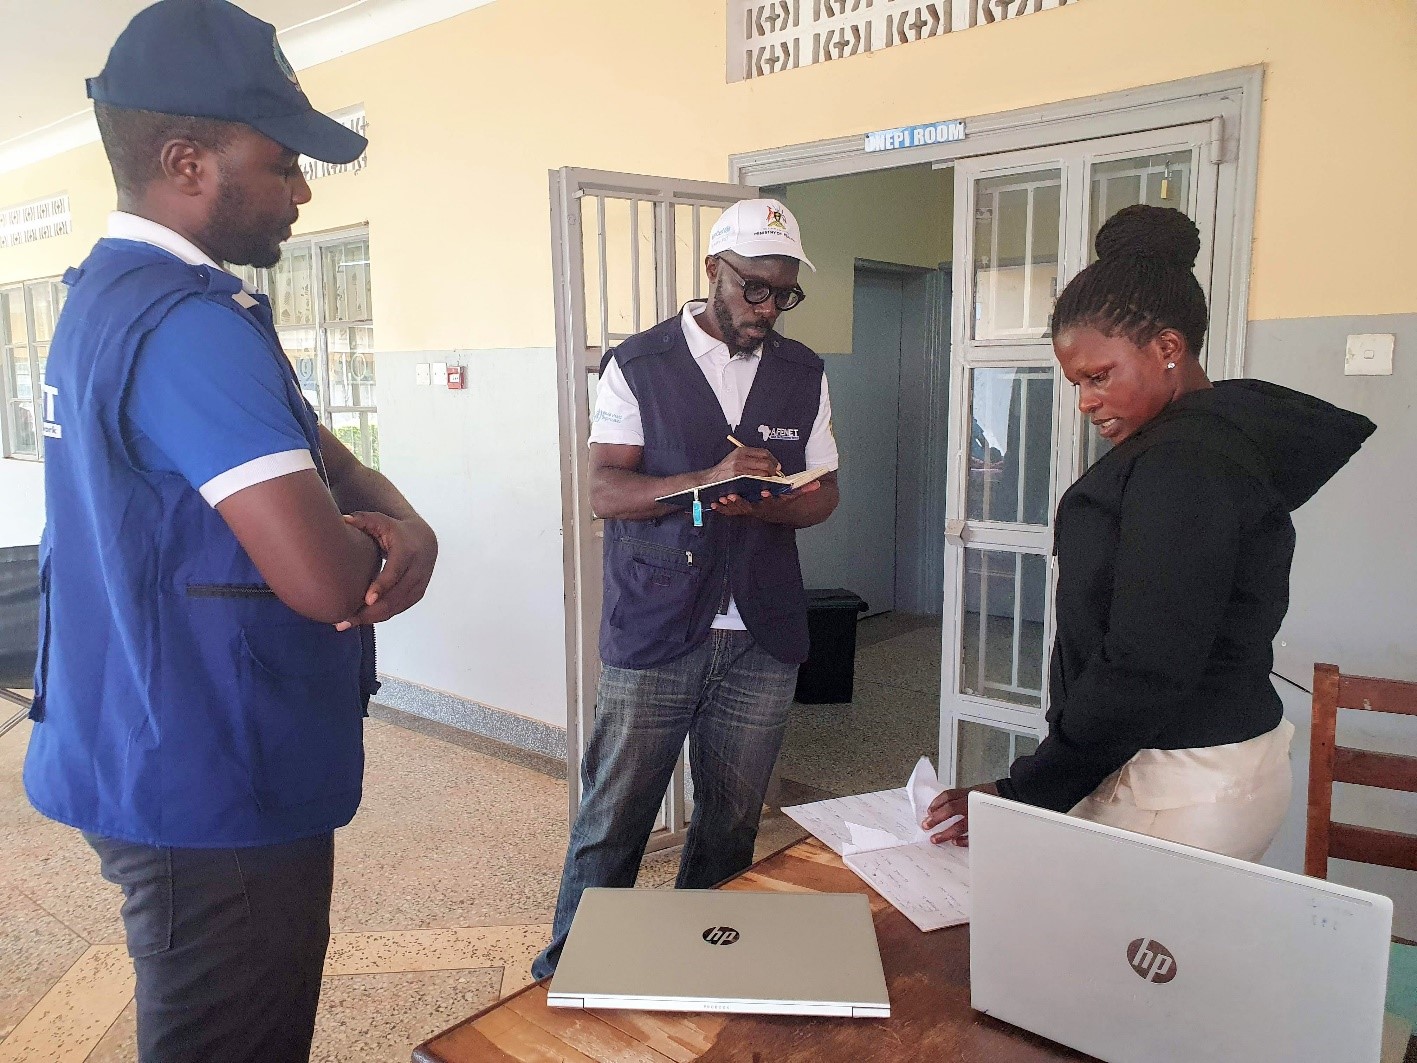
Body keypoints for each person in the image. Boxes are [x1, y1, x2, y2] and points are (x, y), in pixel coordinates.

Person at [22, 2, 438, 1060]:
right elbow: (325, 583)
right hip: (211, 780)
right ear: (185, 160)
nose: (301, 189)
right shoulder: (190, 327)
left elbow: (328, 461)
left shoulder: (111, 301)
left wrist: (383, 509)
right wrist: (394, 546)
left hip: (145, 736)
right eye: (284, 161)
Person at [924, 205, 1374, 861]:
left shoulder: (1184, 465)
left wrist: (1022, 791)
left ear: (1167, 348)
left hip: (1178, 780)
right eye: (1076, 381)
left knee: (1118, 959)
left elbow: (1145, 664)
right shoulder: (1203, 443)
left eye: (1097, 375)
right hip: (1197, 762)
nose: (1083, 401)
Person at [532, 199, 840, 978]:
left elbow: (825, 493)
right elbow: (605, 490)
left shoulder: (802, 371)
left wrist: (777, 503)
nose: (767, 308)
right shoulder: (640, 363)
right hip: (657, 624)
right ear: (713, 271)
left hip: (761, 635)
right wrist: (708, 481)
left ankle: (707, 965)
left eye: (783, 293)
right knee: (614, 817)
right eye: (753, 289)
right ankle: (572, 974)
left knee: (731, 822)